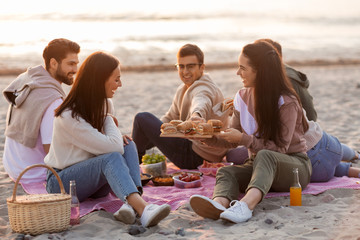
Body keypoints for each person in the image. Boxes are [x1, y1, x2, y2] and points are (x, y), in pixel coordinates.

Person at [44, 51, 171, 228]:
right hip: (62, 184)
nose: (120, 84)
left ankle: (131, 204)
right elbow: (113, 148)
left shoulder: (105, 103)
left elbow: (116, 145)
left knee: (129, 144)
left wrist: (116, 134)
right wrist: (108, 118)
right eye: (116, 79)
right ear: (100, 80)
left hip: (93, 180)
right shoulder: (68, 116)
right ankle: (143, 209)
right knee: (114, 154)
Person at [190, 41, 312, 223]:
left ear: (260, 71)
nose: (238, 73)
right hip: (259, 167)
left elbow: (279, 149)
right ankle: (219, 204)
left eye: (242, 68)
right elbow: (233, 140)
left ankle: (246, 205)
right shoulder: (242, 97)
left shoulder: (287, 101)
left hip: (294, 168)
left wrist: (245, 139)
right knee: (227, 172)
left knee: (265, 155)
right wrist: (206, 138)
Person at [226, 39, 360, 182]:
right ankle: (347, 163)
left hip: (315, 147)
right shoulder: (256, 91)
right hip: (311, 155)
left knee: (336, 154)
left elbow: (286, 139)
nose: (239, 72)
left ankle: (355, 155)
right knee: (235, 155)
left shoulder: (283, 91)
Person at [131, 44, 229, 169]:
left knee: (142, 118)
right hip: (196, 151)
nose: (185, 71)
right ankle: (132, 149)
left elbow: (201, 102)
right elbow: (169, 118)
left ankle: (133, 167)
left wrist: (196, 115)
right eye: (181, 66)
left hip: (196, 156)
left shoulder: (204, 88)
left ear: (202, 68)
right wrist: (149, 131)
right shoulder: (183, 89)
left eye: (191, 66)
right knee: (142, 131)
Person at [2, 38, 80, 183]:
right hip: (33, 172)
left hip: (13, 165)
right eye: (71, 64)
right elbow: (51, 151)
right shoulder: (52, 99)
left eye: (76, 64)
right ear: (53, 63)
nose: (75, 70)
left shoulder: (27, 79)